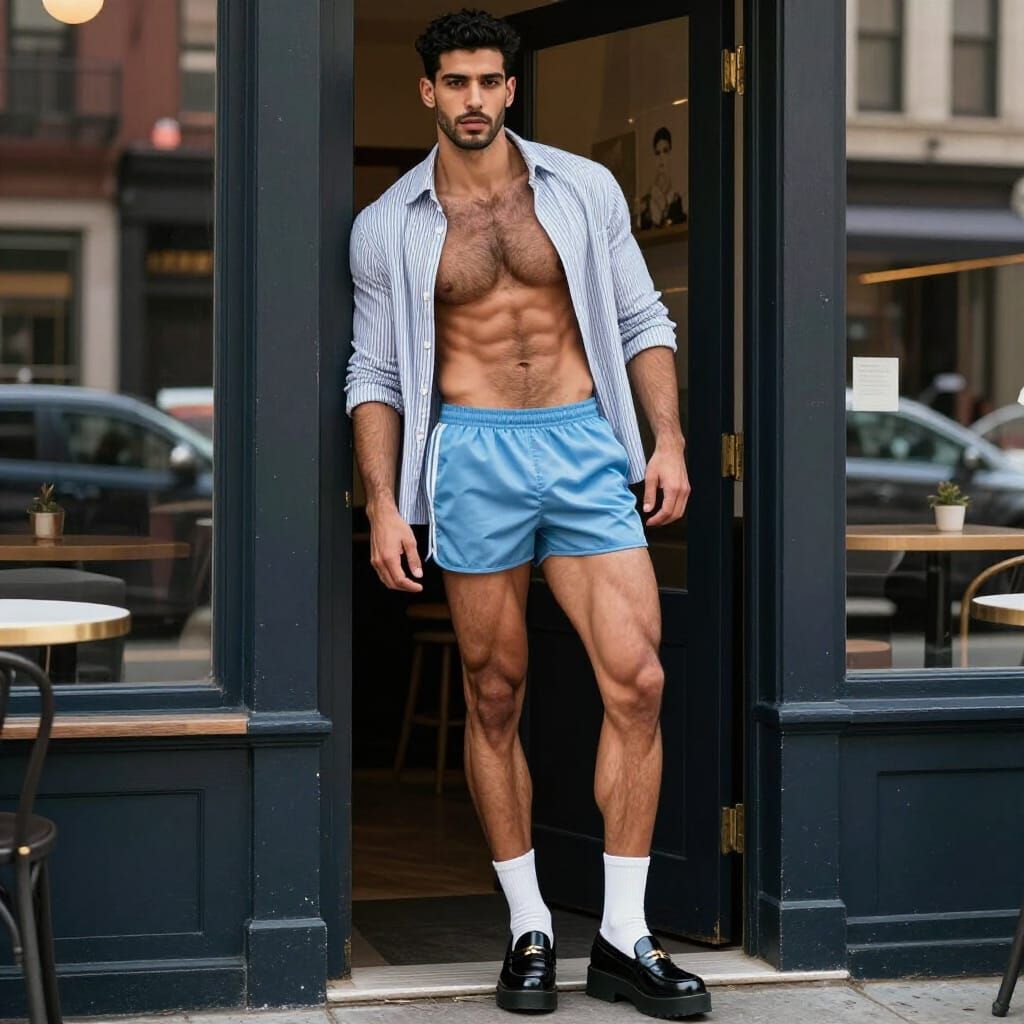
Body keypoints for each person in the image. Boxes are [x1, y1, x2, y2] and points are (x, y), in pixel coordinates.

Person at [344, 8, 709, 1019]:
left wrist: (667, 438)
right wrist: (384, 504)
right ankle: (529, 926)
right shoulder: (388, 225)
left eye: (488, 82)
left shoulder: (581, 191)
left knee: (637, 679)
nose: (472, 99)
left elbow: (641, 317)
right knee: (493, 694)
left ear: (512, 88)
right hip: (468, 454)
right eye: (453, 82)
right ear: (428, 92)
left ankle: (628, 936)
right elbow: (373, 370)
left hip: (584, 444)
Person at [637, 126, 686, 230]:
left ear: (671, 153)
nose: (661, 157)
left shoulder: (677, 198)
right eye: (657, 153)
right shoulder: (647, 201)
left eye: (665, 151)